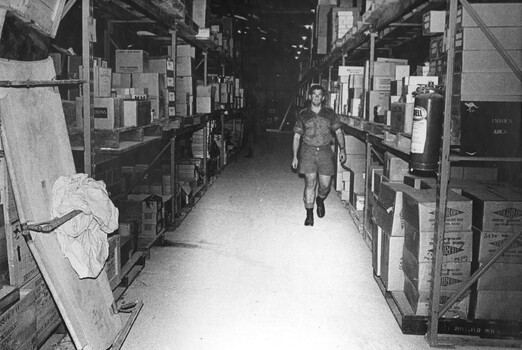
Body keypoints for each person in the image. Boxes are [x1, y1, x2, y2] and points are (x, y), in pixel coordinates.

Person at [292, 84, 346, 226]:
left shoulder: (329, 113)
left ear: (323, 97)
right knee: (310, 183)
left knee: (325, 185)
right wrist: (295, 156)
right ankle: (309, 215)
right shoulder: (303, 114)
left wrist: (343, 149)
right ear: (310, 96)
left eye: (319, 95)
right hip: (308, 151)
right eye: (313, 94)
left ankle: (320, 200)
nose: (316, 97)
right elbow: (297, 136)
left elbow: (339, 132)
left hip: (325, 151)